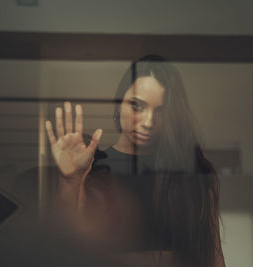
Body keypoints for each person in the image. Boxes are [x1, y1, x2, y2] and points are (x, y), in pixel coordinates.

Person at [45, 55, 225, 267]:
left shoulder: (191, 172)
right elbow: (62, 244)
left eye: (160, 110)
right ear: (119, 104)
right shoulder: (92, 168)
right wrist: (70, 180)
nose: (148, 122)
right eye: (137, 106)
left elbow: (213, 257)